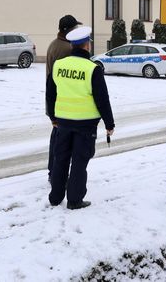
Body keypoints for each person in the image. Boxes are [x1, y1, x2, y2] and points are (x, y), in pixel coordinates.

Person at [46, 26, 114, 210]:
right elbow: (102, 99)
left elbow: (50, 94)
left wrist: (52, 116)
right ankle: (74, 200)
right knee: (79, 162)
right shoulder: (93, 69)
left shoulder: (59, 65)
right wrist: (109, 123)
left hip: (63, 123)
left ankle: (55, 197)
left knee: (60, 159)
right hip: (85, 125)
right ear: (86, 45)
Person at [45, 14, 81, 181]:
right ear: (68, 31)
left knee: (56, 138)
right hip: (63, 102)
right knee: (61, 143)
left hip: (55, 100)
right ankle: (56, 175)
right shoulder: (67, 50)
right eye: (75, 29)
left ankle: (53, 172)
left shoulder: (54, 44)